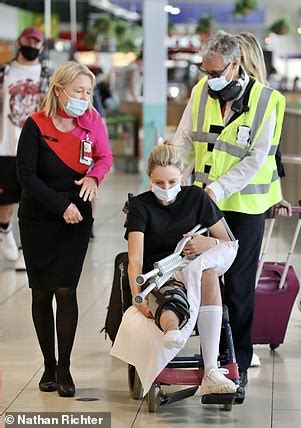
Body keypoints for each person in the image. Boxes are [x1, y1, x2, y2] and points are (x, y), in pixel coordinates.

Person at [173, 30, 286, 389]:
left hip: (245, 205)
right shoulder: (201, 93)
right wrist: (174, 180)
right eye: (205, 71)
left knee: (238, 284)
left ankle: (236, 357)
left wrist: (217, 190)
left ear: (235, 64)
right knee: (206, 277)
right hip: (204, 202)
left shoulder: (270, 101)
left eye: (216, 71)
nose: (210, 78)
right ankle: (213, 358)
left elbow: (257, 158)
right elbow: (185, 140)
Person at [16, 61, 113, 397]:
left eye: (88, 92)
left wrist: (93, 176)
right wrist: (61, 206)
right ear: (59, 90)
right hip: (38, 219)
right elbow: (26, 175)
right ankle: (47, 364)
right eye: (78, 91)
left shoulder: (92, 122)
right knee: (41, 292)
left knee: (66, 290)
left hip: (76, 219)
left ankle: (65, 368)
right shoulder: (35, 125)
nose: (84, 98)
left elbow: (105, 157)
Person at [125, 142, 238, 395]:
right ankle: (172, 330)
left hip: (193, 268)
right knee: (171, 297)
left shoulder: (197, 198)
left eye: (171, 181)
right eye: (159, 183)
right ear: (149, 178)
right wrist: (137, 297)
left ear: (182, 174)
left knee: (207, 273)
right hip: (161, 272)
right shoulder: (140, 207)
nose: (166, 189)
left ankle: (211, 370)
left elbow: (228, 242)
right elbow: (135, 259)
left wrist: (207, 242)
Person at [0, 27, 50, 268]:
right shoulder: (4, 72)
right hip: (6, 144)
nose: (32, 44)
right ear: (20, 41)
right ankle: (4, 229)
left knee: (33, 200)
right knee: (6, 199)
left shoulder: (47, 75)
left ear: (42, 46)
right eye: (28, 40)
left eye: (36, 41)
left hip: (36, 146)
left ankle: (24, 250)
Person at [236, 32, 292, 217]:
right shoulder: (216, 97)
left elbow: (272, 153)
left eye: (238, 60)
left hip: (253, 201)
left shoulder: (267, 99)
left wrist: (277, 196)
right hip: (219, 197)